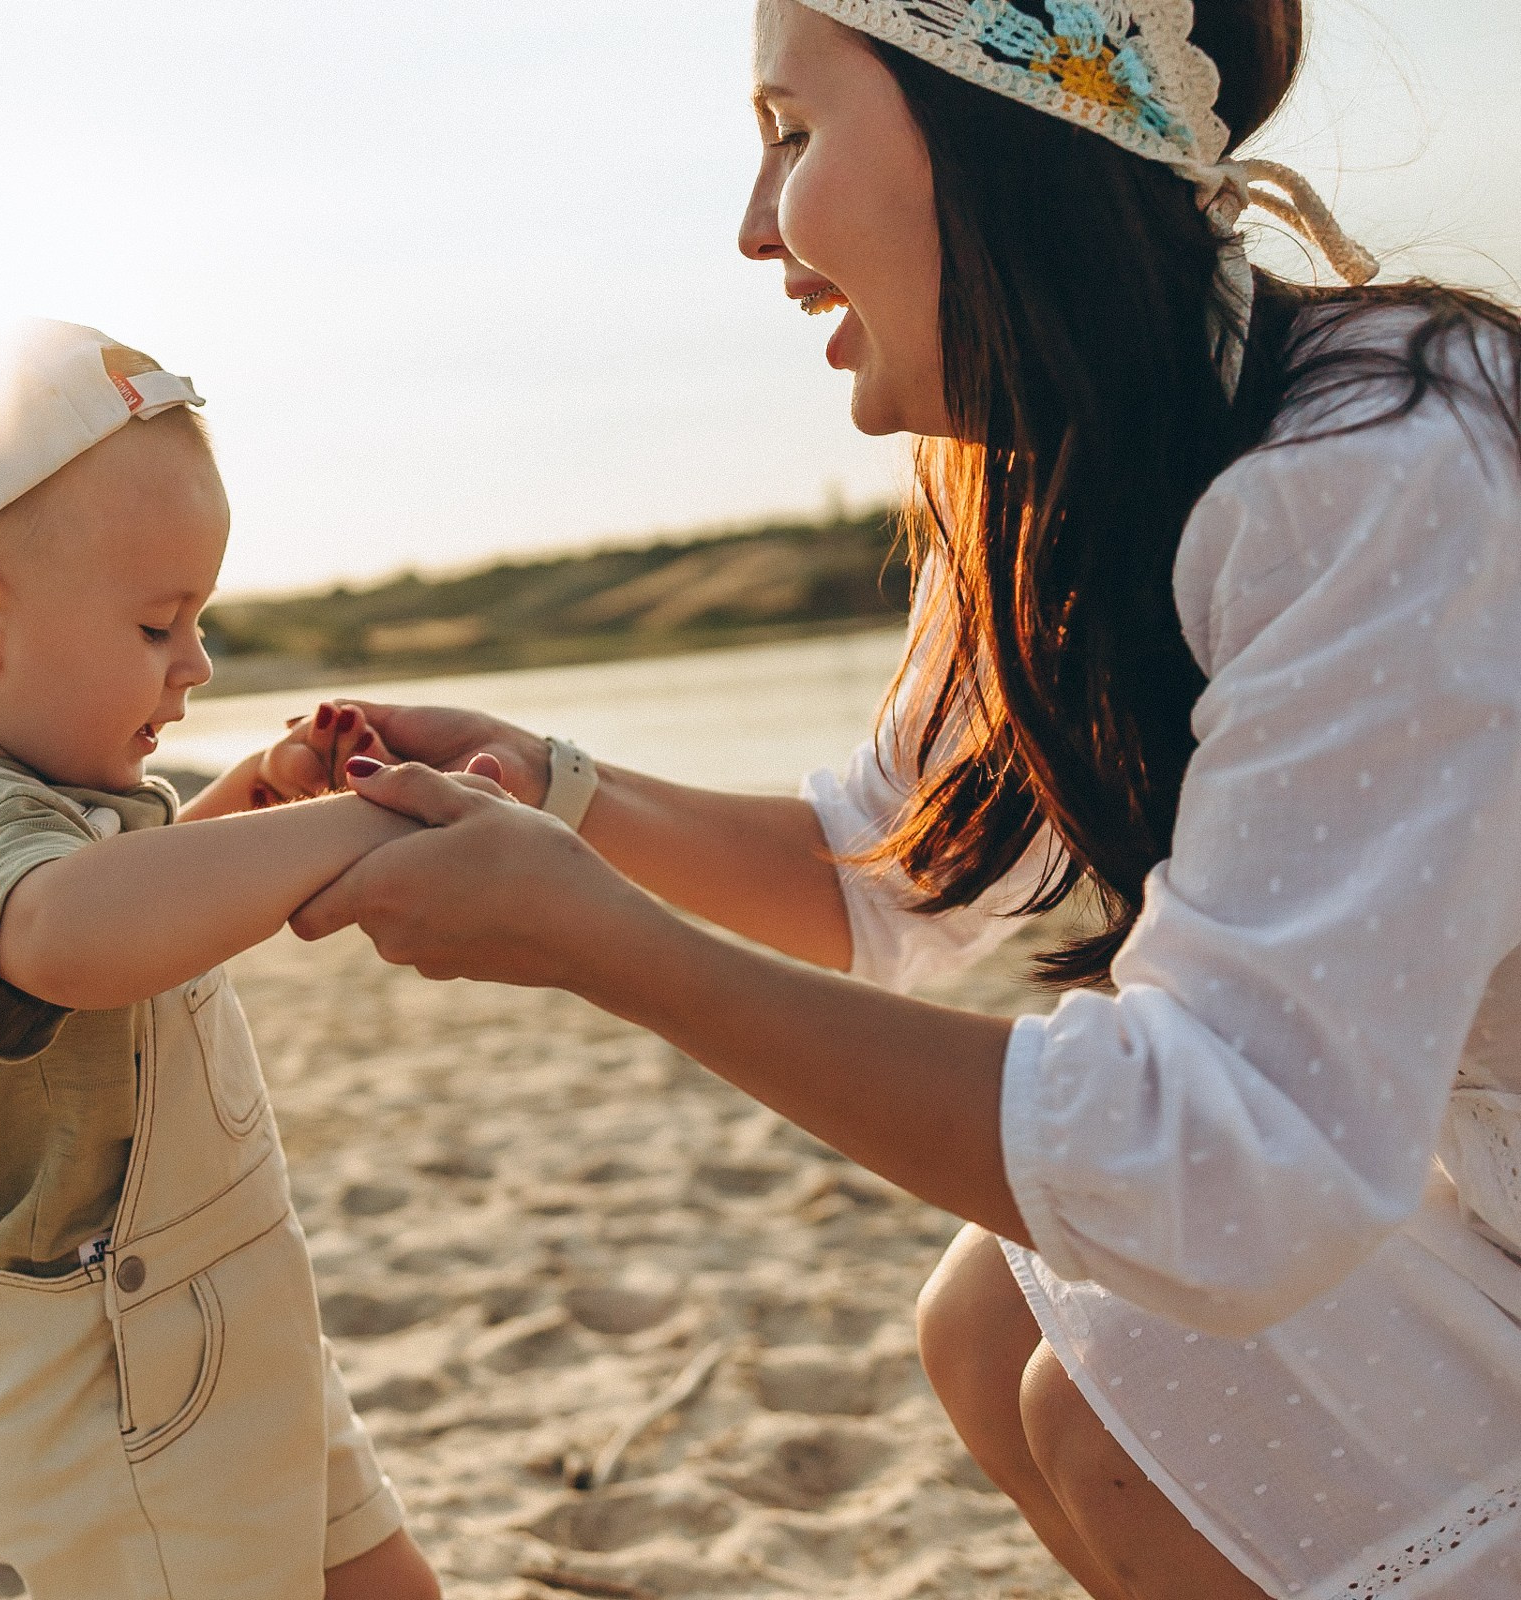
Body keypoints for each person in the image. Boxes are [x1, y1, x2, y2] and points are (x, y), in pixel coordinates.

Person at [297, 3, 1521, 1596]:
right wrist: (551, 791)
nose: (755, 231)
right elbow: (881, 871)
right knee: (992, 1313)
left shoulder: (1382, 470)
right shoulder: (1092, 462)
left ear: (998, 124)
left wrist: (601, 942)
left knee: (1105, 1394)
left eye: (792, 134)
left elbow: (1230, 1172)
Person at [0, 319, 443, 1599]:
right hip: (124, 1407)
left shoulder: (53, 812)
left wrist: (259, 800)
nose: (197, 665)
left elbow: (129, 910)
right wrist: (354, 827)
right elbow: (67, 936)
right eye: (161, 624)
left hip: (242, 1337)